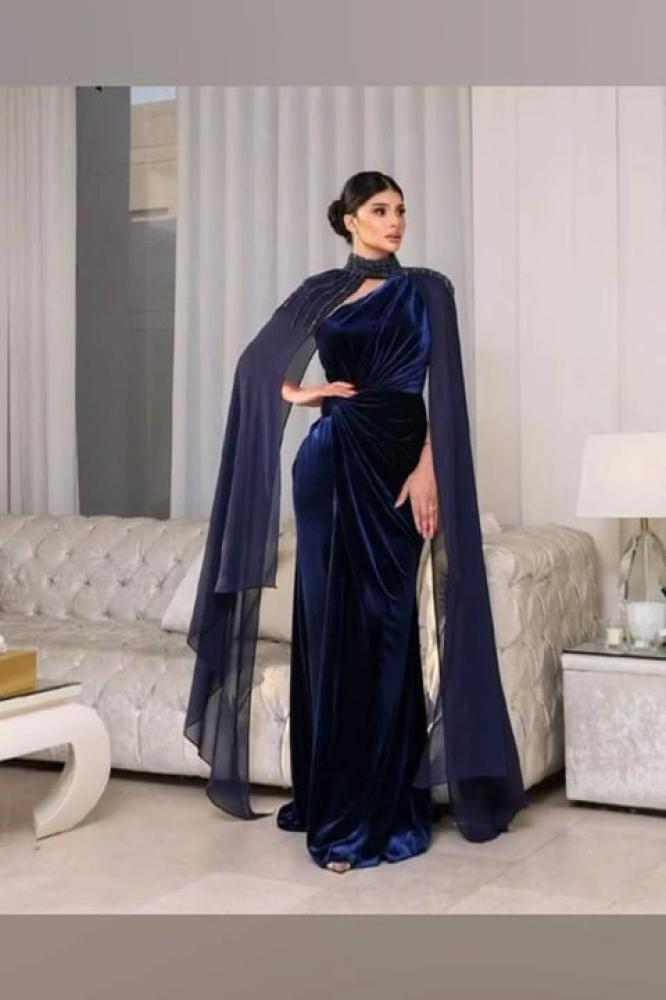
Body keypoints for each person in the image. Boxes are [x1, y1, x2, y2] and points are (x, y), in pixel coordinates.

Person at [185, 170, 529, 875]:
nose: (395, 221)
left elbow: (444, 394)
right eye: (379, 210)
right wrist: (302, 392)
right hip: (327, 468)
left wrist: (429, 466)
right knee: (331, 633)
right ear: (349, 220)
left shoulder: (428, 290)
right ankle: (337, 811)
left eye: (401, 209)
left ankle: (384, 806)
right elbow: (255, 369)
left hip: (397, 467)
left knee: (385, 630)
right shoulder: (321, 291)